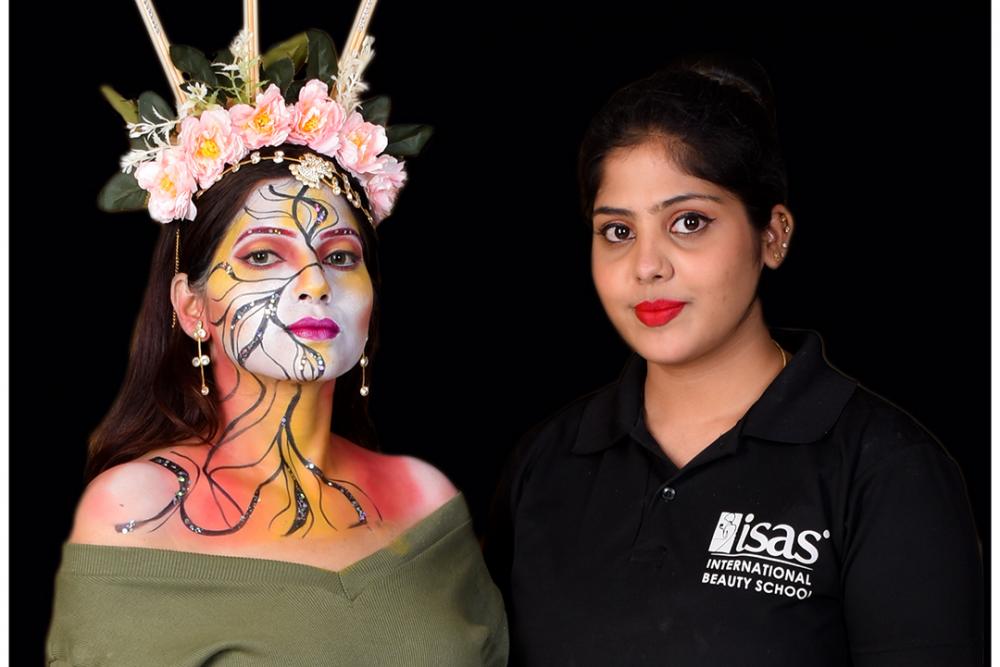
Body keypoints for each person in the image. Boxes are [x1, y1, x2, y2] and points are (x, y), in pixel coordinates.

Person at [484, 54, 983, 666]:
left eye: (689, 222)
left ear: (773, 234)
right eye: (618, 231)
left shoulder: (886, 470)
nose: (647, 266)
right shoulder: (545, 464)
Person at [46, 5, 507, 665]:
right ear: (192, 307)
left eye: (341, 255)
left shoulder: (424, 496)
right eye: (264, 255)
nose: (315, 282)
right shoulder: (132, 511)